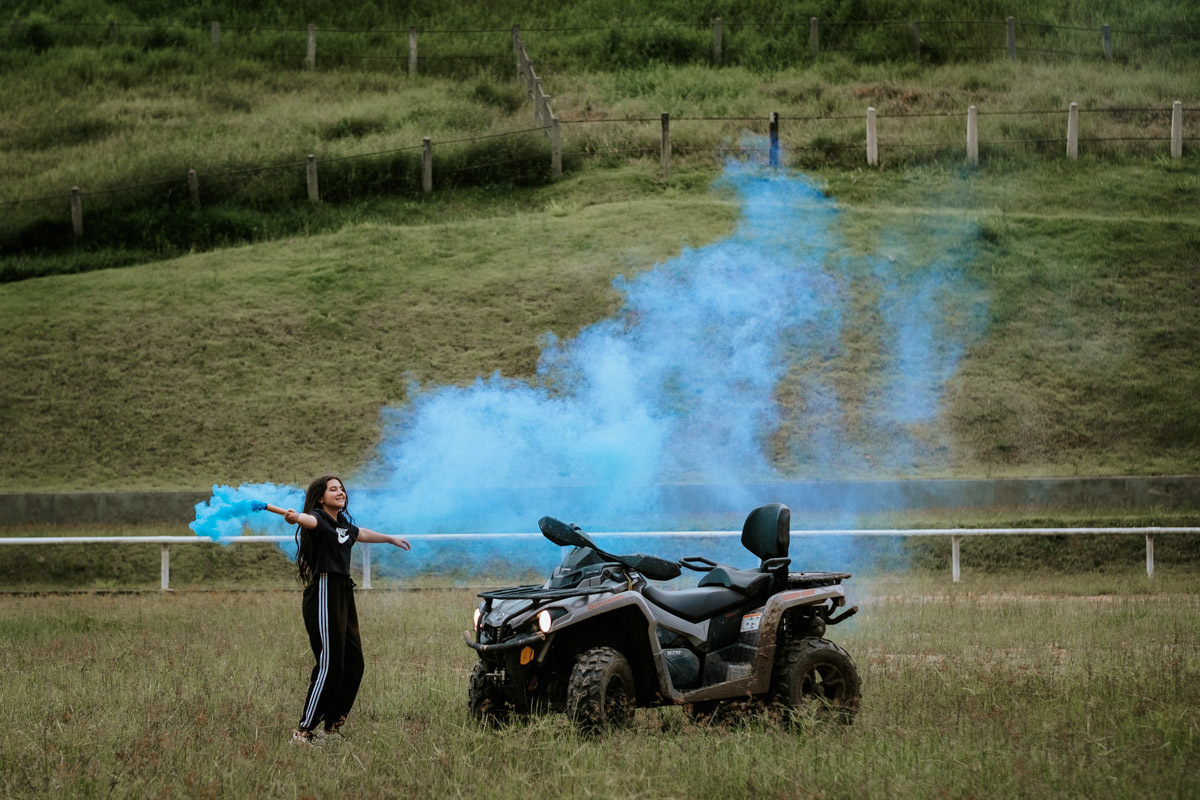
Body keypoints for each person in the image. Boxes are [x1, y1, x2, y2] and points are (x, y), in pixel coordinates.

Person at [283, 475, 410, 746]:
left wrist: (389, 539)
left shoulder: (343, 524)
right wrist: (296, 518)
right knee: (330, 665)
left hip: (342, 591)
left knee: (354, 665)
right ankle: (303, 732)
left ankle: (331, 729)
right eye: (333, 489)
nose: (340, 492)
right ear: (320, 497)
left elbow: (360, 533)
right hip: (324, 592)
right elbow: (308, 521)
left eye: (341, 488)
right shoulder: (317, 518)